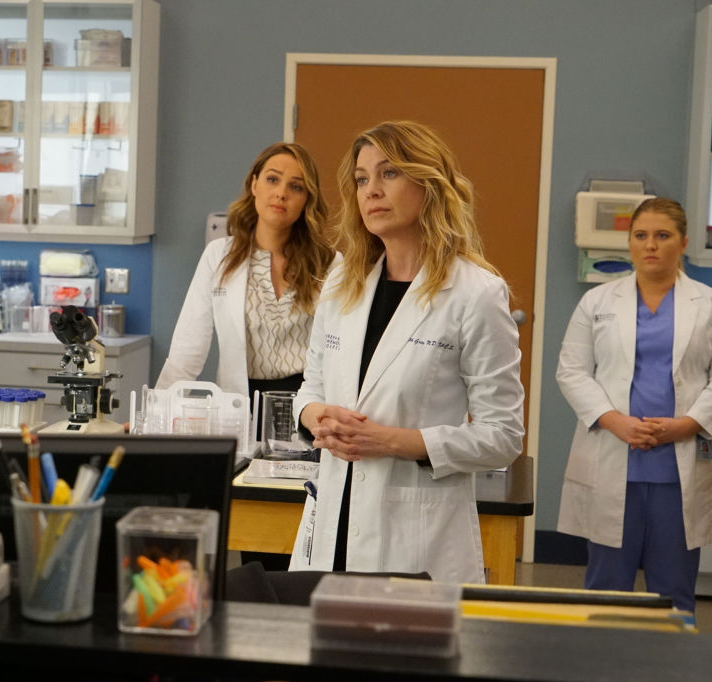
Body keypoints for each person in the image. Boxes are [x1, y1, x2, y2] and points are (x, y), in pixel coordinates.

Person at [288, 121, 524, 584]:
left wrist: (393, 442)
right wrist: (316, 416)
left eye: (389, 173)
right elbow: (309, 388)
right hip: (330, 524)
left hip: (415, 538)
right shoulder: (342, 282)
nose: (371, 190)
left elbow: (502, 436)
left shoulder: (475, 294)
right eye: (361, 179)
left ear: (429, 184)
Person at [556, 197, 712, 612]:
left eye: (663, 235)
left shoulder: (709, 304)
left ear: (683, 243)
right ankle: (603, 656)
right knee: (606, 589)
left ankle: (673, 656)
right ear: (629, 243)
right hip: (613, 455)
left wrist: (687, 424)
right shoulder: (597, 302)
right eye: (641, 235)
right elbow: (571, 371)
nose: (651, 245)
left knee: (674, 594)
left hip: (676, 467)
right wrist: (615, 421)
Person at [155, 142, 336, 406]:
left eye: (296, 187)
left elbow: (340, 350)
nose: (281, 193)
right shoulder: (219, 256)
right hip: (239, 405)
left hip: (308, 405)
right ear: (254, 185)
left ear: (307, 198)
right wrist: (155, 413)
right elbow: (187, 350)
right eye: (272, 179)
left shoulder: (329, 263)